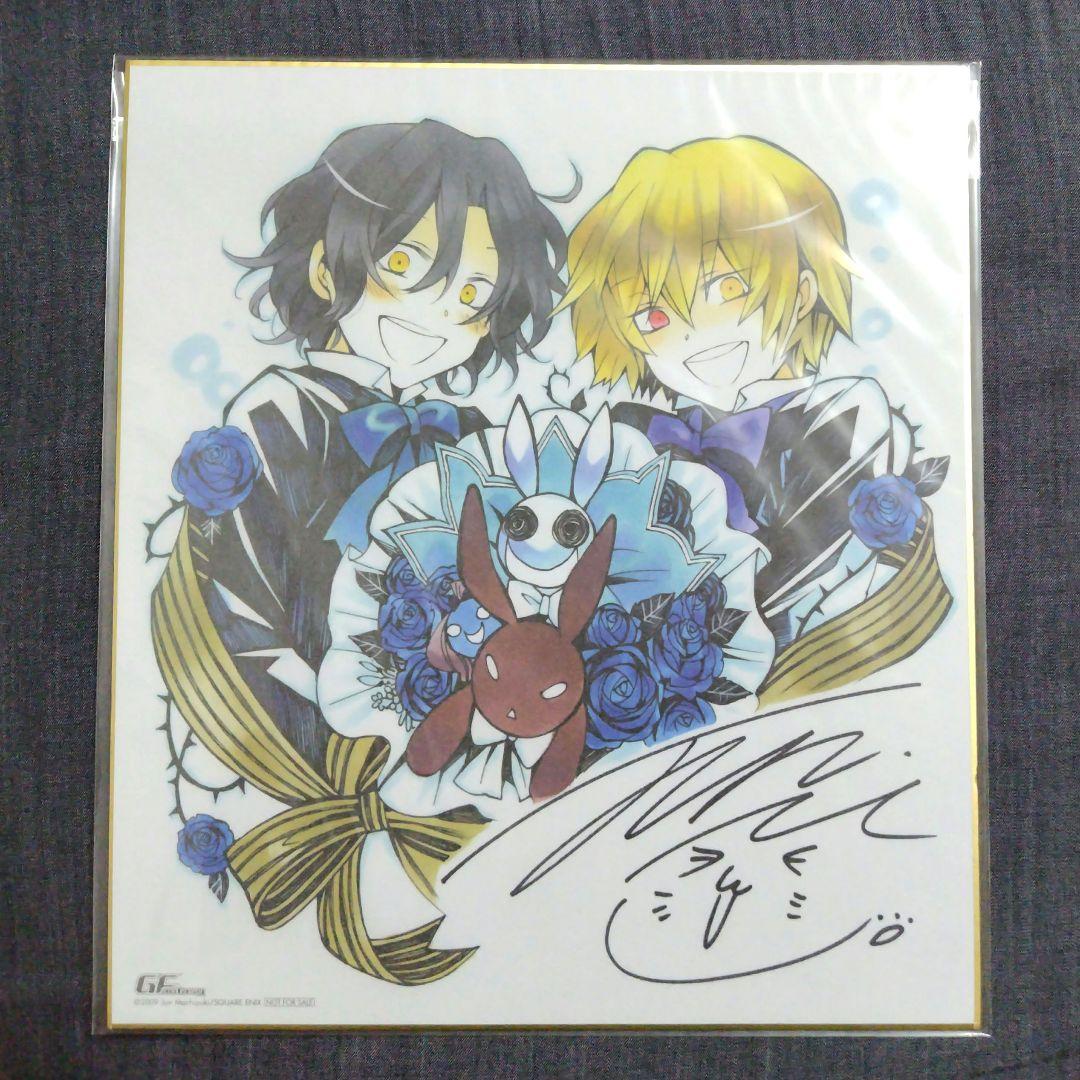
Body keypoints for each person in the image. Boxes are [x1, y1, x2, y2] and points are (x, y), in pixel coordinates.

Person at [168, 120, 572, 768]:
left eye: (472, 294)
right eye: (405, 266)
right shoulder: (277, 414)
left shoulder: (468, 433)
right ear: (326, 269)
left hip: (454, 732)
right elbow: (239, 604)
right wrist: (333, 728)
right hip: (304, 735)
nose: (436, 312)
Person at [560, 136, 947, 658]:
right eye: (654, 316)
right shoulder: (638, 436)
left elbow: (806, 576)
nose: (696, 331)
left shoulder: (848, 415)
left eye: (727, 289)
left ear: (803, 292)